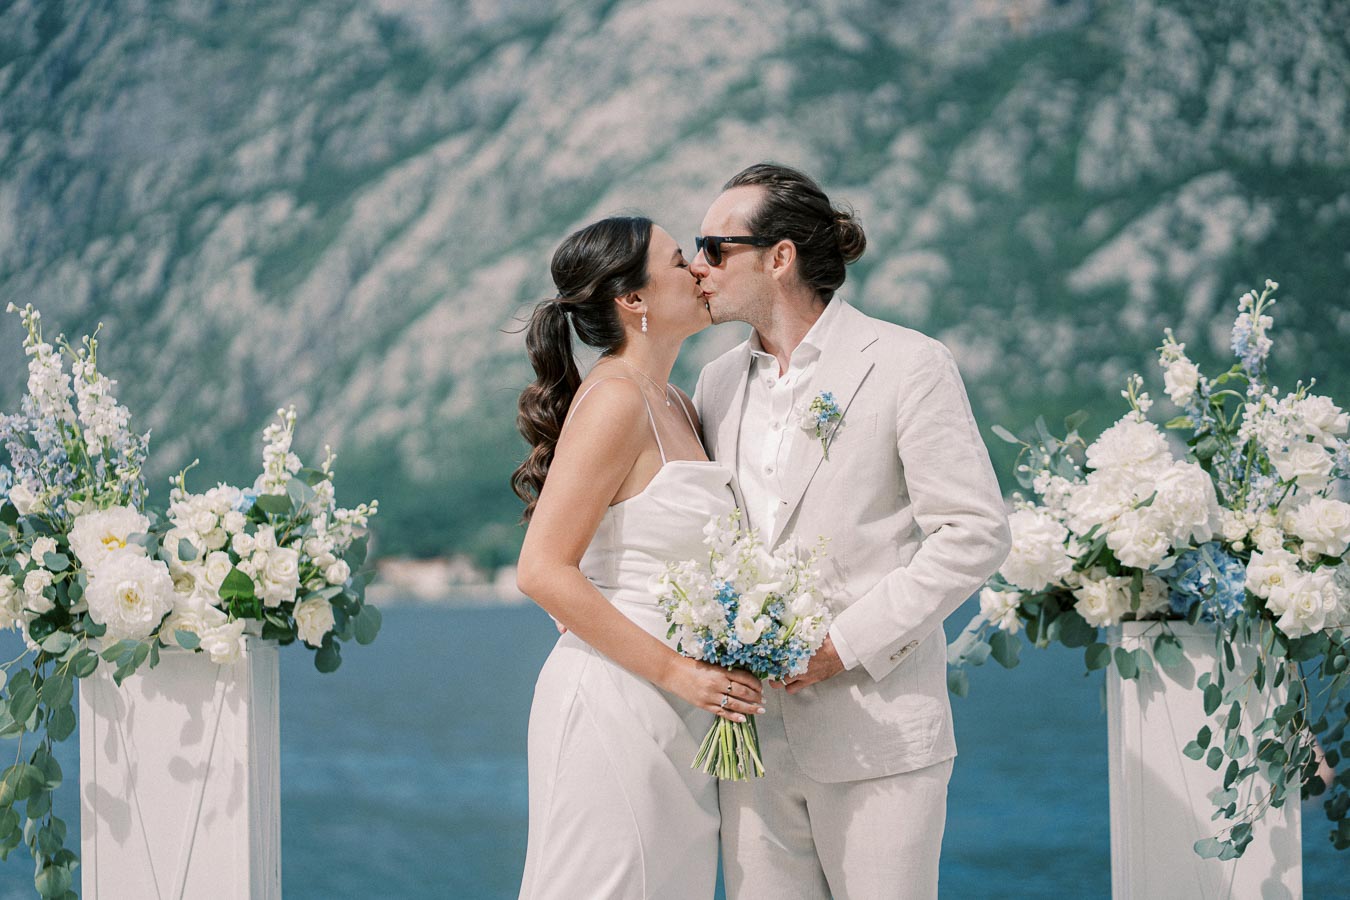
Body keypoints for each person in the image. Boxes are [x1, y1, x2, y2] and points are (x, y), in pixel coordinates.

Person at [691, 164, 1012, 899]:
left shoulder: (909, 364)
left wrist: (843, 647)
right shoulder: (713, 383)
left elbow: (974, 533)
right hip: (750, 747)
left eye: (715, 247)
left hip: (880, 734)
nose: (697, 266)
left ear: (780, 258)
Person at [512, 216, 764, 900]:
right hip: (621, 700)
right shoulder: (616, 400)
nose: (701, 270)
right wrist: (678, 672)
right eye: (682, 260)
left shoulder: (676, 401)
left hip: (677, 709)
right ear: (634, 300)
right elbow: (540, 569)